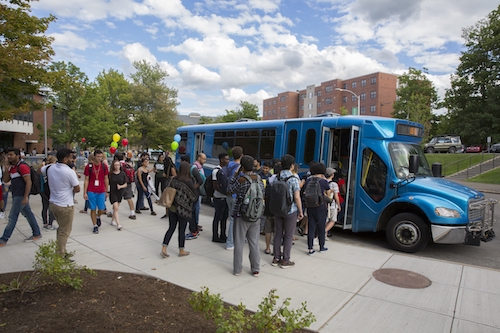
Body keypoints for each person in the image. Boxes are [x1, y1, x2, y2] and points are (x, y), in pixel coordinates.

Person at [227, 155, 263, 277]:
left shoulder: (241, 180)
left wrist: (235, 176)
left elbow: (230, 189)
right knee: (254, 243)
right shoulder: (259, 178)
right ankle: (256, 268)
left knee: (239, 243)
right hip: (256, 215)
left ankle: (237, 269)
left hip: (241, 215)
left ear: (242, 167)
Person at [0, 148, 42, 247]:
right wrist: (6, 168)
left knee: (12, 218)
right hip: (16, 195)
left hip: (20, 196)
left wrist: (25, 197)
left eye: (11, 155)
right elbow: (6, 180)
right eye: (8, 155)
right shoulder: (12, 167)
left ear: (18, 156)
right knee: (28, 214)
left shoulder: (22, 167)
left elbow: (28, 182)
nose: (9, 156)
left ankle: (3, 239)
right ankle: (37, 233)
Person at [43, 148, 80, 257]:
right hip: (65, 205)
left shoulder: (50, 168)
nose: (72, 159)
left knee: (61, 229)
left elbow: (40, 169)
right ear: (64, 159)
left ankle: (61, 250)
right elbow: (77, 189)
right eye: (70, 157)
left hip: (53, 203)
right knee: (64, 231)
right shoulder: (69, 172)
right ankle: (59, 256)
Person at [271, 155, 303, 268]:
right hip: (290, 210)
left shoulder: (276, 177)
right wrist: (301, 211)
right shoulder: (294, 179)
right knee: (288, 235)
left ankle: (276, 258)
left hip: (277, 209)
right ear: (292, 165)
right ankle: (285, 260)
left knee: (278, 233)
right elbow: (297, 197)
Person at [160, 161, 197, 258]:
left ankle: (164, 248)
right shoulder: (189, 181)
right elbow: (194, 197)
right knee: (182, 230)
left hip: (172, 208)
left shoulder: (174, 179)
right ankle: (181, 250)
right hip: (183, 210)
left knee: (171, 228)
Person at [303, 162, 332, 255]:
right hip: (321, 206)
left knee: (311, 226)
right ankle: (321, 246)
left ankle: (310, 249)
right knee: (321, 226)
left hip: (310, 206)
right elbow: (328, 193)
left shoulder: (308, 180)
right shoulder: (323, 181)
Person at [83, 149, 109, 234]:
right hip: (91, 190)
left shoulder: (104, 166)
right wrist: (84, 192)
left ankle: (98, 216)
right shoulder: (89, 167)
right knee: (93, 208)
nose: (99, 158)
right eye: (98, 156)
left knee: (102, 209)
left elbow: (106, 178)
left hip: (101, 190)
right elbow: (86, 179)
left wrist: (107, 190)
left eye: (101, 157)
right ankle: (95, 225)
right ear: (94, 156)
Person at [225, 146, 243, 250]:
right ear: (241, 155)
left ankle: (232, 240)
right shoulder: (239, 167)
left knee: (231, 218)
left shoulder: (229, 165)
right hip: (235, 195)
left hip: (228, 194)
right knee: (234, 220)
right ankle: (230, 243)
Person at [212, 152, 229, 243]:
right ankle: (215, 235)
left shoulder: (226, 170)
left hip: (225, 198)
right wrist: (225, 192)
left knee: (224, 217)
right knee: (217, 217)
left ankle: (223, 234)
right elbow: (215, 185)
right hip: (219, 198)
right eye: (226, 159)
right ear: (221, 160)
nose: (228, 161)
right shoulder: (216, 171)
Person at [114, 153, 137, 220]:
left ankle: (114, 212)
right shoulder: (127, 164)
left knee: (117, 199)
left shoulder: (118, 165)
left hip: (120, 183)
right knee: (129, 198)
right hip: (128, 183)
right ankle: (132, 213)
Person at [108, 160, 128, 230]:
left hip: (120, 192)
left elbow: (126, 184)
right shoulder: (110, 174)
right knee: (116, 208)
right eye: (115, 165)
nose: (117, 166)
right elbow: (107, 182)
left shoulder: (123, 174)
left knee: (115, 208)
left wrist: (121, 186)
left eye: (118, 165)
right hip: (113, 192)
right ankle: (118, 224)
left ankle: (112, 220)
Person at [40, 155, 57, 230]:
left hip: (43, 188)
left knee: (44, 207)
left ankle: (45, 223)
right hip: (51, 189)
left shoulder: (43, 168)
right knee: (52, 206)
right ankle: (50, 223)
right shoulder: (54, 167)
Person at [325, 167, 341, 239]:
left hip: (324, 204)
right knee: (333, 220)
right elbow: (336, 196)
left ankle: (324, 235)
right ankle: (323, 232)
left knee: (325, 220)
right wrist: (338, 205)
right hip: (332, 205)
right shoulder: (334, 184)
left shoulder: (323, 181)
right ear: (332, 175)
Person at [160, 152, 177, 219]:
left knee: (170, 198)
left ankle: (169, 213)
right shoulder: (168, 168)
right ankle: (167, 213)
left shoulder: (171, 168)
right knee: (168, 198)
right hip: (168, 183)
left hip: (170, 183)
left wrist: (167, 176)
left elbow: (174, 176)